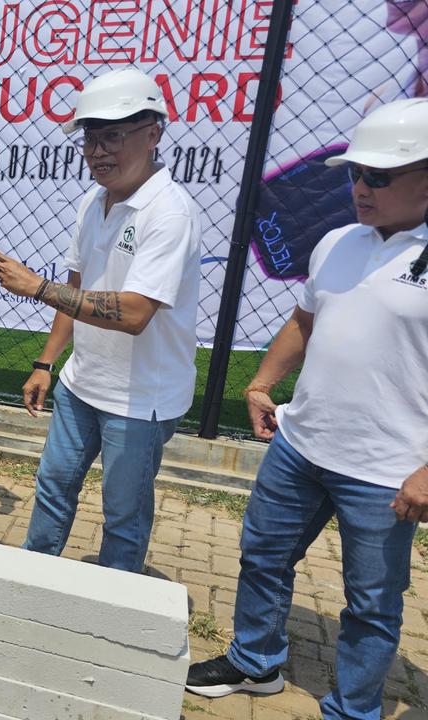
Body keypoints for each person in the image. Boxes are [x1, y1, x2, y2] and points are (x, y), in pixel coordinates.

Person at [185, 98, 428, 720]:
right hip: (301, 445)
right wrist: (261, 384)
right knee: (263, 558)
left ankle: (353, 709)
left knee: (371, 604)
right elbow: (304, 320)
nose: (360, 187)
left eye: (378, 176)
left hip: (385, 470)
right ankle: (255, 661)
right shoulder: (337, 242)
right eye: (356, 173)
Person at [0, 68, 202, 573]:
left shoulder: (169, 213)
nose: (98, 152)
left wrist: (37, 287)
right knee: (53, 486)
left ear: (154, 133)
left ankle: (114, 602)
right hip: (82, 384)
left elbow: (135, 312)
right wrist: (45, 364)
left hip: (140, 400)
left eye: (113, 137)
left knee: (123, 516)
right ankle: (32, 580)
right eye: (90, 139)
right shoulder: (93, 201)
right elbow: (76, 292)